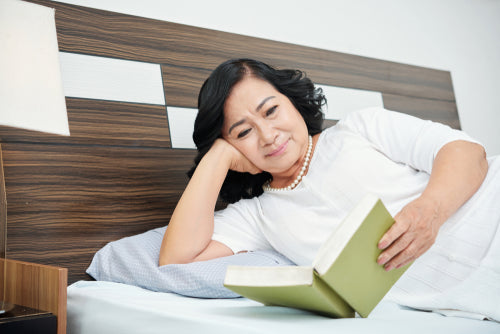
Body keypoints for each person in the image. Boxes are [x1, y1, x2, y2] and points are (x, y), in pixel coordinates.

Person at [159, 58, 500, 320]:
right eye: (243, 132)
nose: (267, 135)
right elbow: (176, 260)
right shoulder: (258, 216)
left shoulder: (360, 128)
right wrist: (216, 157)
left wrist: (430, 211)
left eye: (271, 110)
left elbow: (467, 153)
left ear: (291, 100)